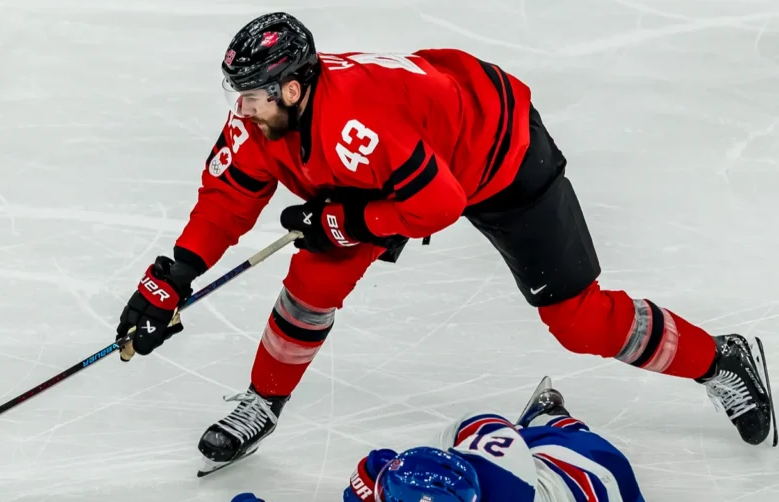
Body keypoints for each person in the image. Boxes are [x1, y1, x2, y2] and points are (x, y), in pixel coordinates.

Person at [114, 11, 775, 475]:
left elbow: (437, 205)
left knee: (579, 321)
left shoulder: (356, 124)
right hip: (401, 169)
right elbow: (227, 197)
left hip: (499, 153)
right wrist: (173, 274)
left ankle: (719, 360)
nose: (241, 110)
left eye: (252, 97)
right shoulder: (267, 123)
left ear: (292, 86)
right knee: (312, 282)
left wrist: (345, 223)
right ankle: (264, 400)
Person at [222, 379, 654, 502]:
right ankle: (553, 420)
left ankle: (553, 419)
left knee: (541, 438)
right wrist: (385, 479)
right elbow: (471, 437)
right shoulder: (504, 465)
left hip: (603, 495)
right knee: (547, 447)